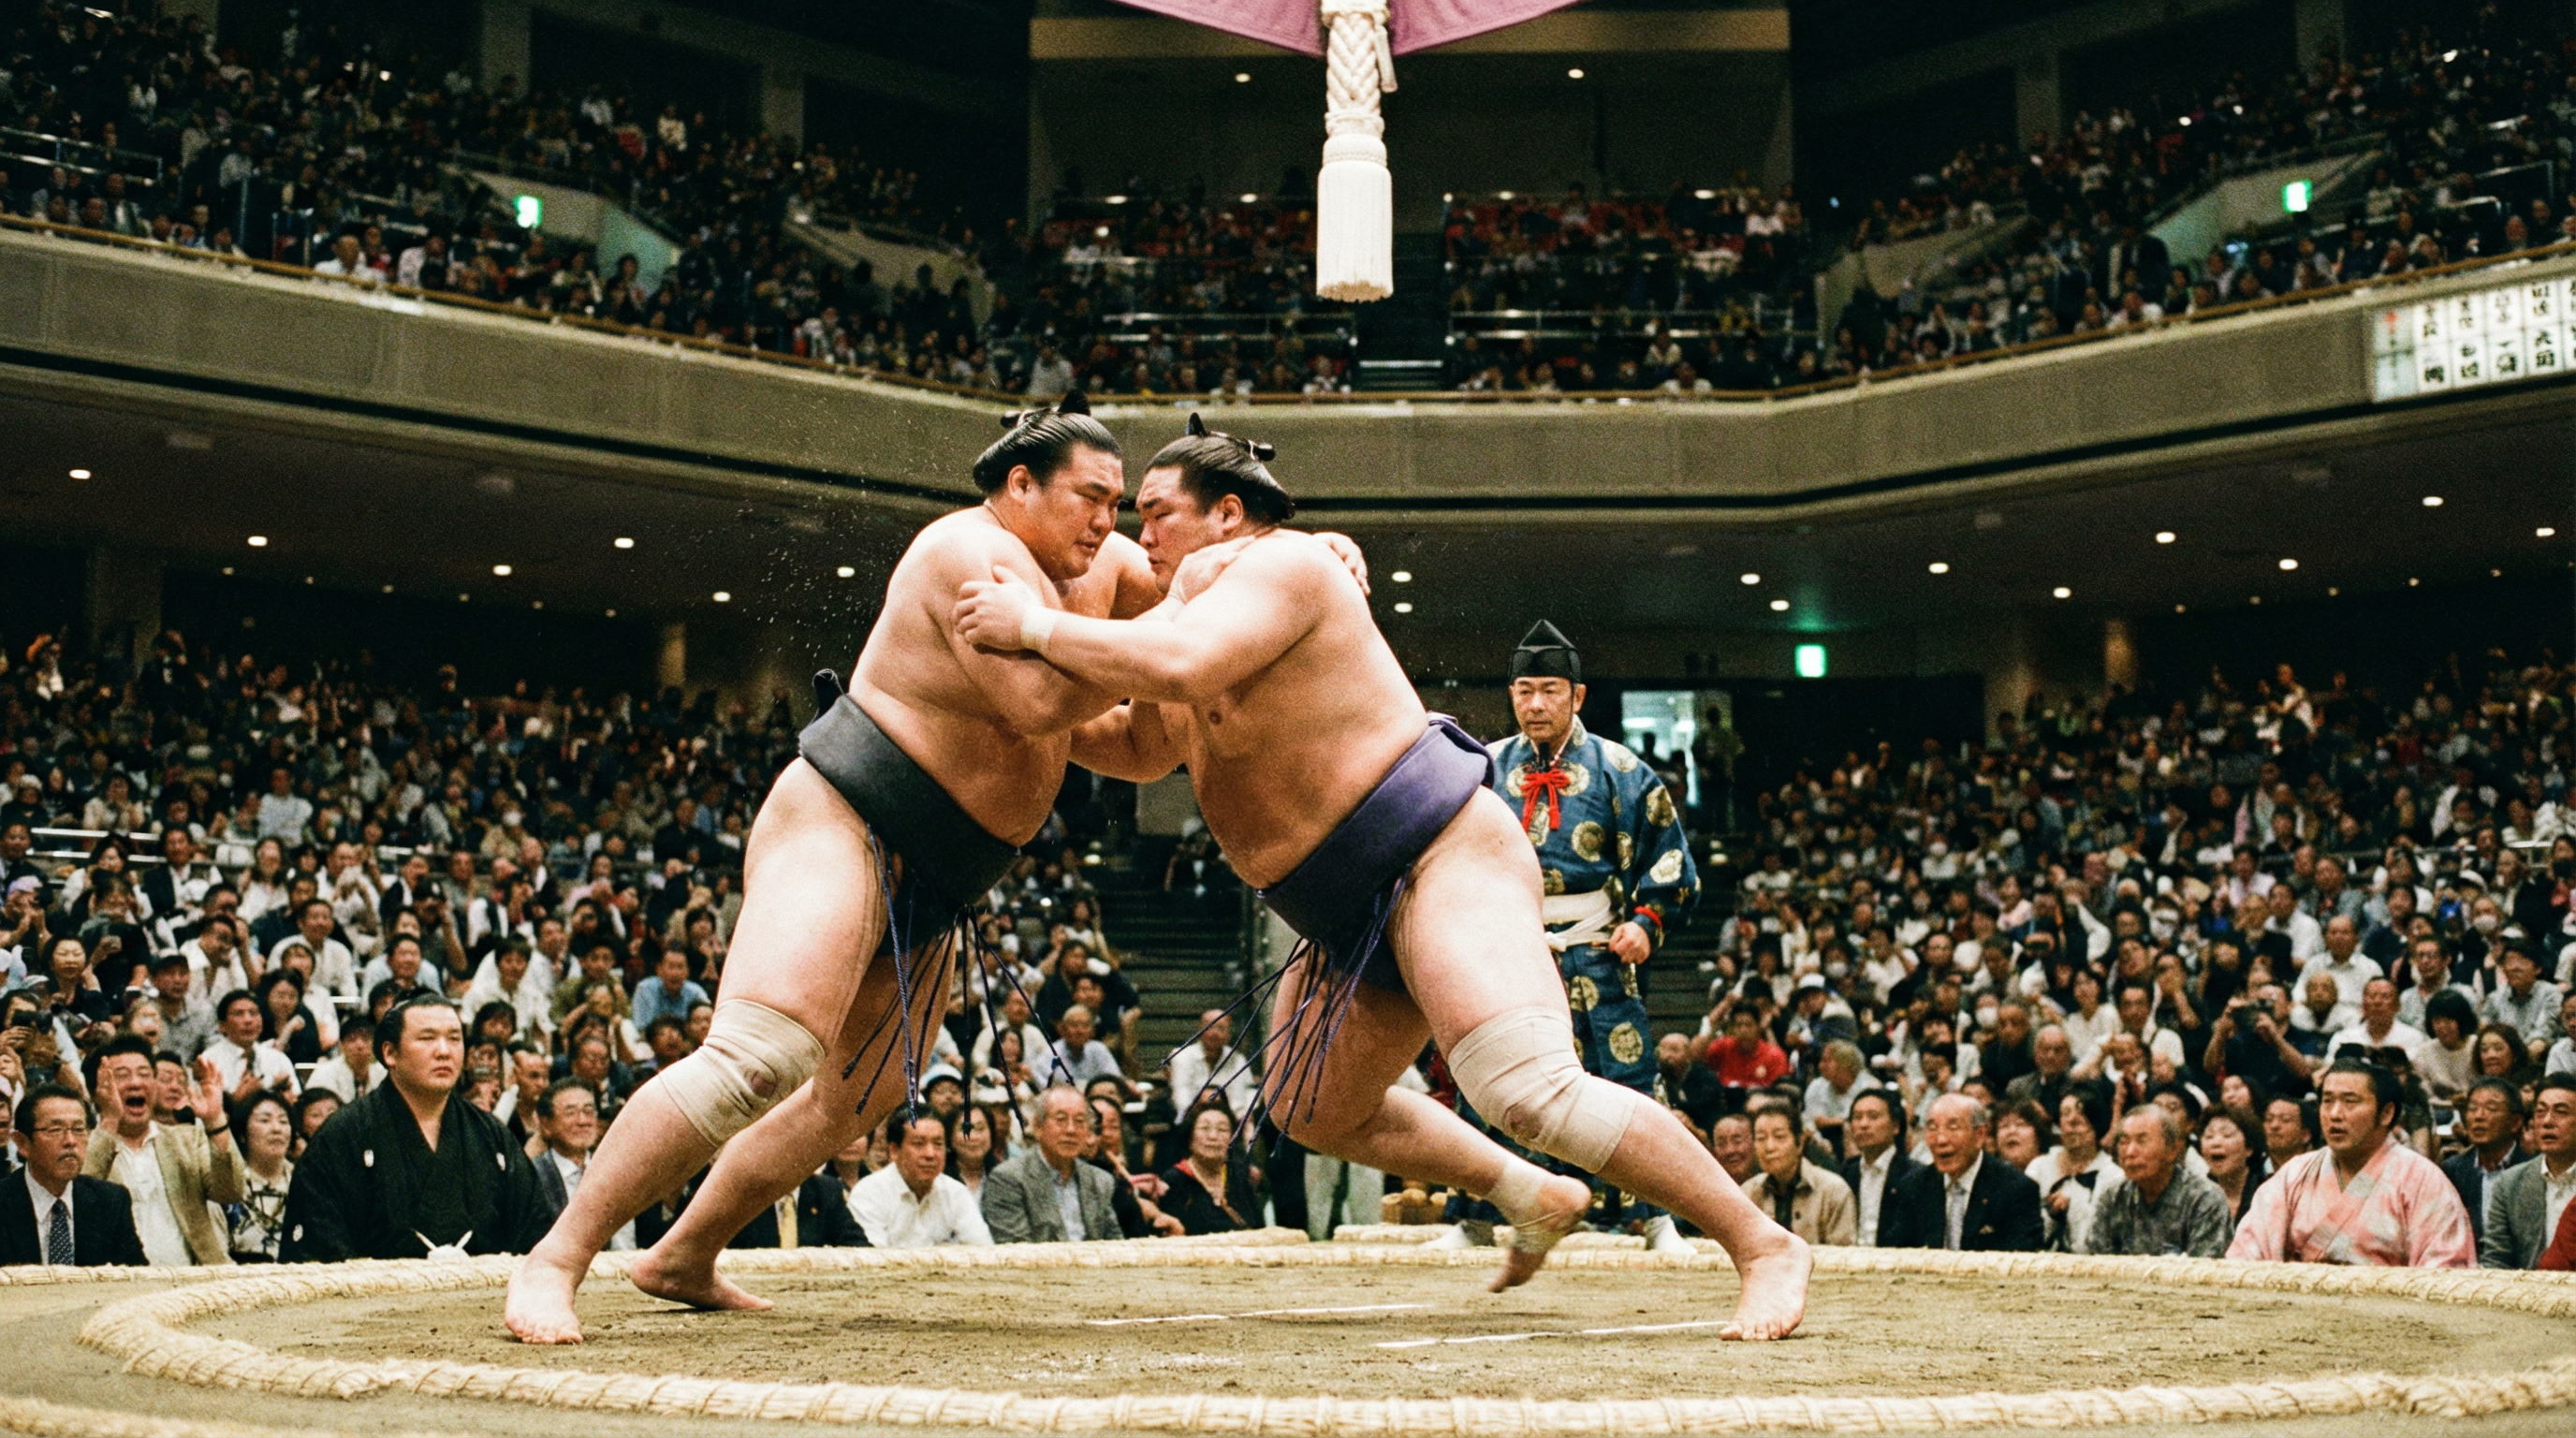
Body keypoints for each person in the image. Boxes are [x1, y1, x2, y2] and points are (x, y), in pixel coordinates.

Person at [505, 396, 1360, 1342]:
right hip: (850, 819)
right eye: (1086, 497)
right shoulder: (964, 553)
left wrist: (1303, 560)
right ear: (1019, 484)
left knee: (855, 1098)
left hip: (945, 879)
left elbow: (1151, 740)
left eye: (1119, 504)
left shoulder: (1108, 571)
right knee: (759, 1057)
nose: (1105, 523)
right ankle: (558, 1258)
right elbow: (1040, 704)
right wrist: (1141, 649)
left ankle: (683, 1252)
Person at [953, 416, 1808, 1335]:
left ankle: (1760, 1243)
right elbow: (1138, 743)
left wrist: (1033, 627)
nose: (1136, 532)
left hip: (1434, 852)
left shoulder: (1281, 568)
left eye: (1155, 512)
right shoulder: (1187, 616)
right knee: (1310, 1105)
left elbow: (1181, 660)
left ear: (1228, 513)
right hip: (1342, 908)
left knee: (1524, 1087)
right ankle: (1523, 1191)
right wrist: (1013, 723)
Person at [1482, 622, 1698, 1254]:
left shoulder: (1622, 770)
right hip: (1512, 951)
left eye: (1550, 690)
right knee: (1497, 1079)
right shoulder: (1484, 766)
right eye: (1524, 691)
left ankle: (1655, 1217)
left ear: (1578, 696)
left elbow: (1670, 863)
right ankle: (1480, 1217)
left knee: (1625, 1081)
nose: (1536, 705)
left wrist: (1645, 923)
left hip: (1597, 948)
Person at [283, 994, 549, 1262]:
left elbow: (534, 1235)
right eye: (427, 1038)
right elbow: (317, 1249)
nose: (444, 1051)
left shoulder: (491, 1135)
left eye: (454, 1039)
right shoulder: (343, 1135)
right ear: (390, 1053)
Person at [2227, 1059, 2475, 1267]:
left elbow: (2445, 1274)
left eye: (2350, 1101)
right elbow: (2246, 1256)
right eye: (2327, 1101)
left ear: (2386, 1113)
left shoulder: (2423, 1181)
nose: (2335, 1114)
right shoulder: (2294, 1174)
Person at [80, 1034, 242, 1266]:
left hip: (191, 1281)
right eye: (122, 1075)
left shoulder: (186, 1139)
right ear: (97, 1091)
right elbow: (80, 1203)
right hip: (119, 1287)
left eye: (145, 1074)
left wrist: (215, 1119)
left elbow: (230, 1192)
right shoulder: (83, 1145)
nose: (136, 1083)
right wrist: (109, 1123)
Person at [0, 1084, 147, 1266]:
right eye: (55, 1130)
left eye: (78, 1130)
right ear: (23, 1143)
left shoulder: (110, 1201)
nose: (70, 1141)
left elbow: (137, 1277)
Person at [1878, 1093, 2045, 1252]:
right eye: (1933, 1128)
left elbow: (2020, 1265)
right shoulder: (1913, 1187)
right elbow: (1897, 1254)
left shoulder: (2017, 1190)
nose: (1941, 1139)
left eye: (1953, 1127)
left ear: (1980, 1135)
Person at [2084, 1106, 2232, 1257]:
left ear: (2173, 1149)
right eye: (2124, 1142)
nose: (2130, 1152)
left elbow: (2203, 1270)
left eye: (2142, 1141)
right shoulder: (2113, 1196)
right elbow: (2093, 1262)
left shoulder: (2204, 1198)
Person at [981, 1085, 1120, 1242]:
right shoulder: (1008, 1179)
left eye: (1080, 1121)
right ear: (1038, 1127)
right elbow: (1017, 1252)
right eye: (1061, 1120)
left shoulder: (1100, 1180)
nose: (1071, 1130)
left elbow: (1114, 1245)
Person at [848, 1109, 992, 1247]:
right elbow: (871, 1261)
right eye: (918, 1144)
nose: (930, 1154)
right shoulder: (869, 1193)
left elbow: (984, 1251)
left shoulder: (955, 1192)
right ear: (894, 1151)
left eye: (938, 1144)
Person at [2478, 1075, 2576, 1269]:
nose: (2547, 1121)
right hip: (2525, 1294)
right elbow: (2496, 1260)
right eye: (2540, 1112)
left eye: (2561, 1112)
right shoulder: (2510, 1184)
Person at [530, 1080, 634, 1252]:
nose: (583, 1120)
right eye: (570, 1113)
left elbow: (625, 1246)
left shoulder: (612, 1172)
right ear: (546, 1125)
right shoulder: (532, 1176)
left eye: (589, 1111)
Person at [1738, 1099, 1855, 1245]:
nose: (1769, 1147)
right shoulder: (1748, 1193)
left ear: (1800, 1143)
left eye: (1779, 1136)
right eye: (1761, 1138)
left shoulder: (1834, 1191)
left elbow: (1844, 1257)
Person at [2443, 1078, 2529, 1243]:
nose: (2478, 1116)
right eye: (2472, 1108)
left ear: (2515, 1122)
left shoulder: (2532, 1169)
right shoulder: (2453, 1170)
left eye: (2491, 1108)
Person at [1157, 1101, 1259, 1235]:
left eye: (1222, 1130)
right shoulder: (1174, 1180)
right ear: (1190, 1137)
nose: (1213, 1137)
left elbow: (1258, 1227)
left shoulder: (1238, 1175)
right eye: (1204, 1128)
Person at [1838, 1088, 1919, 1246]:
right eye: (1857, 1117)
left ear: (1896, 1126)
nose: (1864, 1124)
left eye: (1873, 1117)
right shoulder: (1846, 1173)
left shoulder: (1915, 1175)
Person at [224, 1089, 296, 1262]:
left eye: (283, 1121)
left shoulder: (306, 1180)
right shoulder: (227, 1183)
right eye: (264, 1120)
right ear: (242, 1134)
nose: (276, 1129)